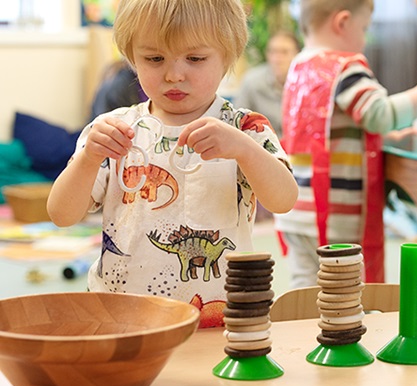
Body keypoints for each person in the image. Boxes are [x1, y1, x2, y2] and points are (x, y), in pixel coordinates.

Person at [47, 0, 298, 328]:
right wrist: (87, 159)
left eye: (195, 58)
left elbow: (285, 200)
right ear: (132, 58)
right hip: (121, 314)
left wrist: (246, 151)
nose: (174, 74)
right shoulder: (112, 130)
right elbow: (61, 215)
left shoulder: (245, 129)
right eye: (154, 58)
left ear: (227, 56)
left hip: (221, 316)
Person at [274, 0, 417, 288]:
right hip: (335, 217)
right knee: (343, 299)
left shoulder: (299, 66)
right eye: (364, 28)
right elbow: (379, 115)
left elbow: (330, 132)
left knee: (305, 295)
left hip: (294, 213)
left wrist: (387, 140)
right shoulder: (346, 67)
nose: (364, 37)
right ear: (342, 22)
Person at [235, 30, 302, 138]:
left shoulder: (305, 84)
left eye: (284, 52)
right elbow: (236, 123)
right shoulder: (252, 82)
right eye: (273, 52)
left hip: (298, 149)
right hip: (262, 148)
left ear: (297, 55)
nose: (277, 59)